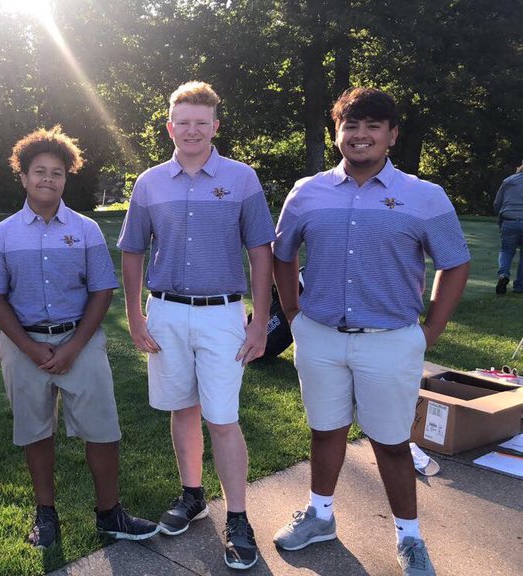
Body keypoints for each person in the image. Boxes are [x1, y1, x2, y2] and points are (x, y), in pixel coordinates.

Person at [271, 87, 470, 576]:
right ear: (337, 133)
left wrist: (431, 330)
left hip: (391, 340)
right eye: (350, 126)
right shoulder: (306, 192)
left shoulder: (425, 196)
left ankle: (410, 538)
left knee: (391, 443)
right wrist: (294, 315)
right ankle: (320, 516)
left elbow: (455, 263)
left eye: (372, 126)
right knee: (325, 431)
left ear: (392, 135)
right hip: (319, 336)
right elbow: (282, 254)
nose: (360, 135)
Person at [117, 82, 276, 570]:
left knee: (222, 417)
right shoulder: (148, 183)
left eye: (201, 122)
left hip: (223, 315)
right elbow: (132, 251)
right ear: (169, 126)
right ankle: (192, 496)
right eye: (182, 122)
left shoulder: (242, 178)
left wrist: (260, 322)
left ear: (215, 127)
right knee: (181, 409)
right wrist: (134, 314)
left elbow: (260, 253)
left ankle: (239, 518)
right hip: (165, 313)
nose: (191, 130)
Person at [0, 126, 160, 549]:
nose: (47, 179)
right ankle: (46, 515)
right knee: (36, 431)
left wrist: (75, 345)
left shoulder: (85, 230)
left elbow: (101, 291)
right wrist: (29, 346)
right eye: (38, 171)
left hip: (81, 342)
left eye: (56, 172)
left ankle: (110, 514)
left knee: (103, 430)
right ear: (22, 177)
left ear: (66, 177)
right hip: (24, 347)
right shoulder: (3, 233)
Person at [493, 160, 523, 294]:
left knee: (506, 251)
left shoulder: (508, 181)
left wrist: (500, 217)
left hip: (509, 220)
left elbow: (497, 203)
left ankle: (503, 274)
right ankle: (520, 286)